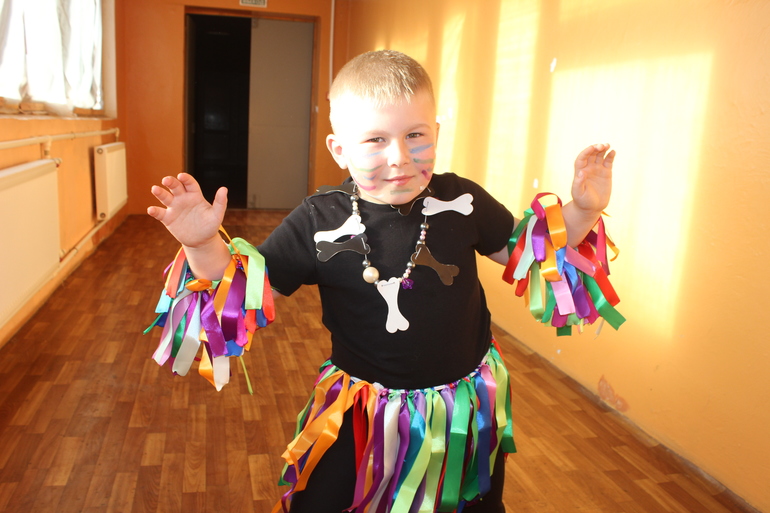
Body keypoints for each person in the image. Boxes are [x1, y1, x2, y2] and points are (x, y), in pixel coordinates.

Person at [147, 50, 615, 513]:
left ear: (436, 133)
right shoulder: (318, 218)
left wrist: (581, 210)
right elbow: (245, 292)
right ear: (340, 150)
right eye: (375, 139)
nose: (400, 158)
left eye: (415, 135)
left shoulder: (463, 199)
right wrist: (202, 245)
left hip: (462, 415)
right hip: (359, 413)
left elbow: (529, 252)